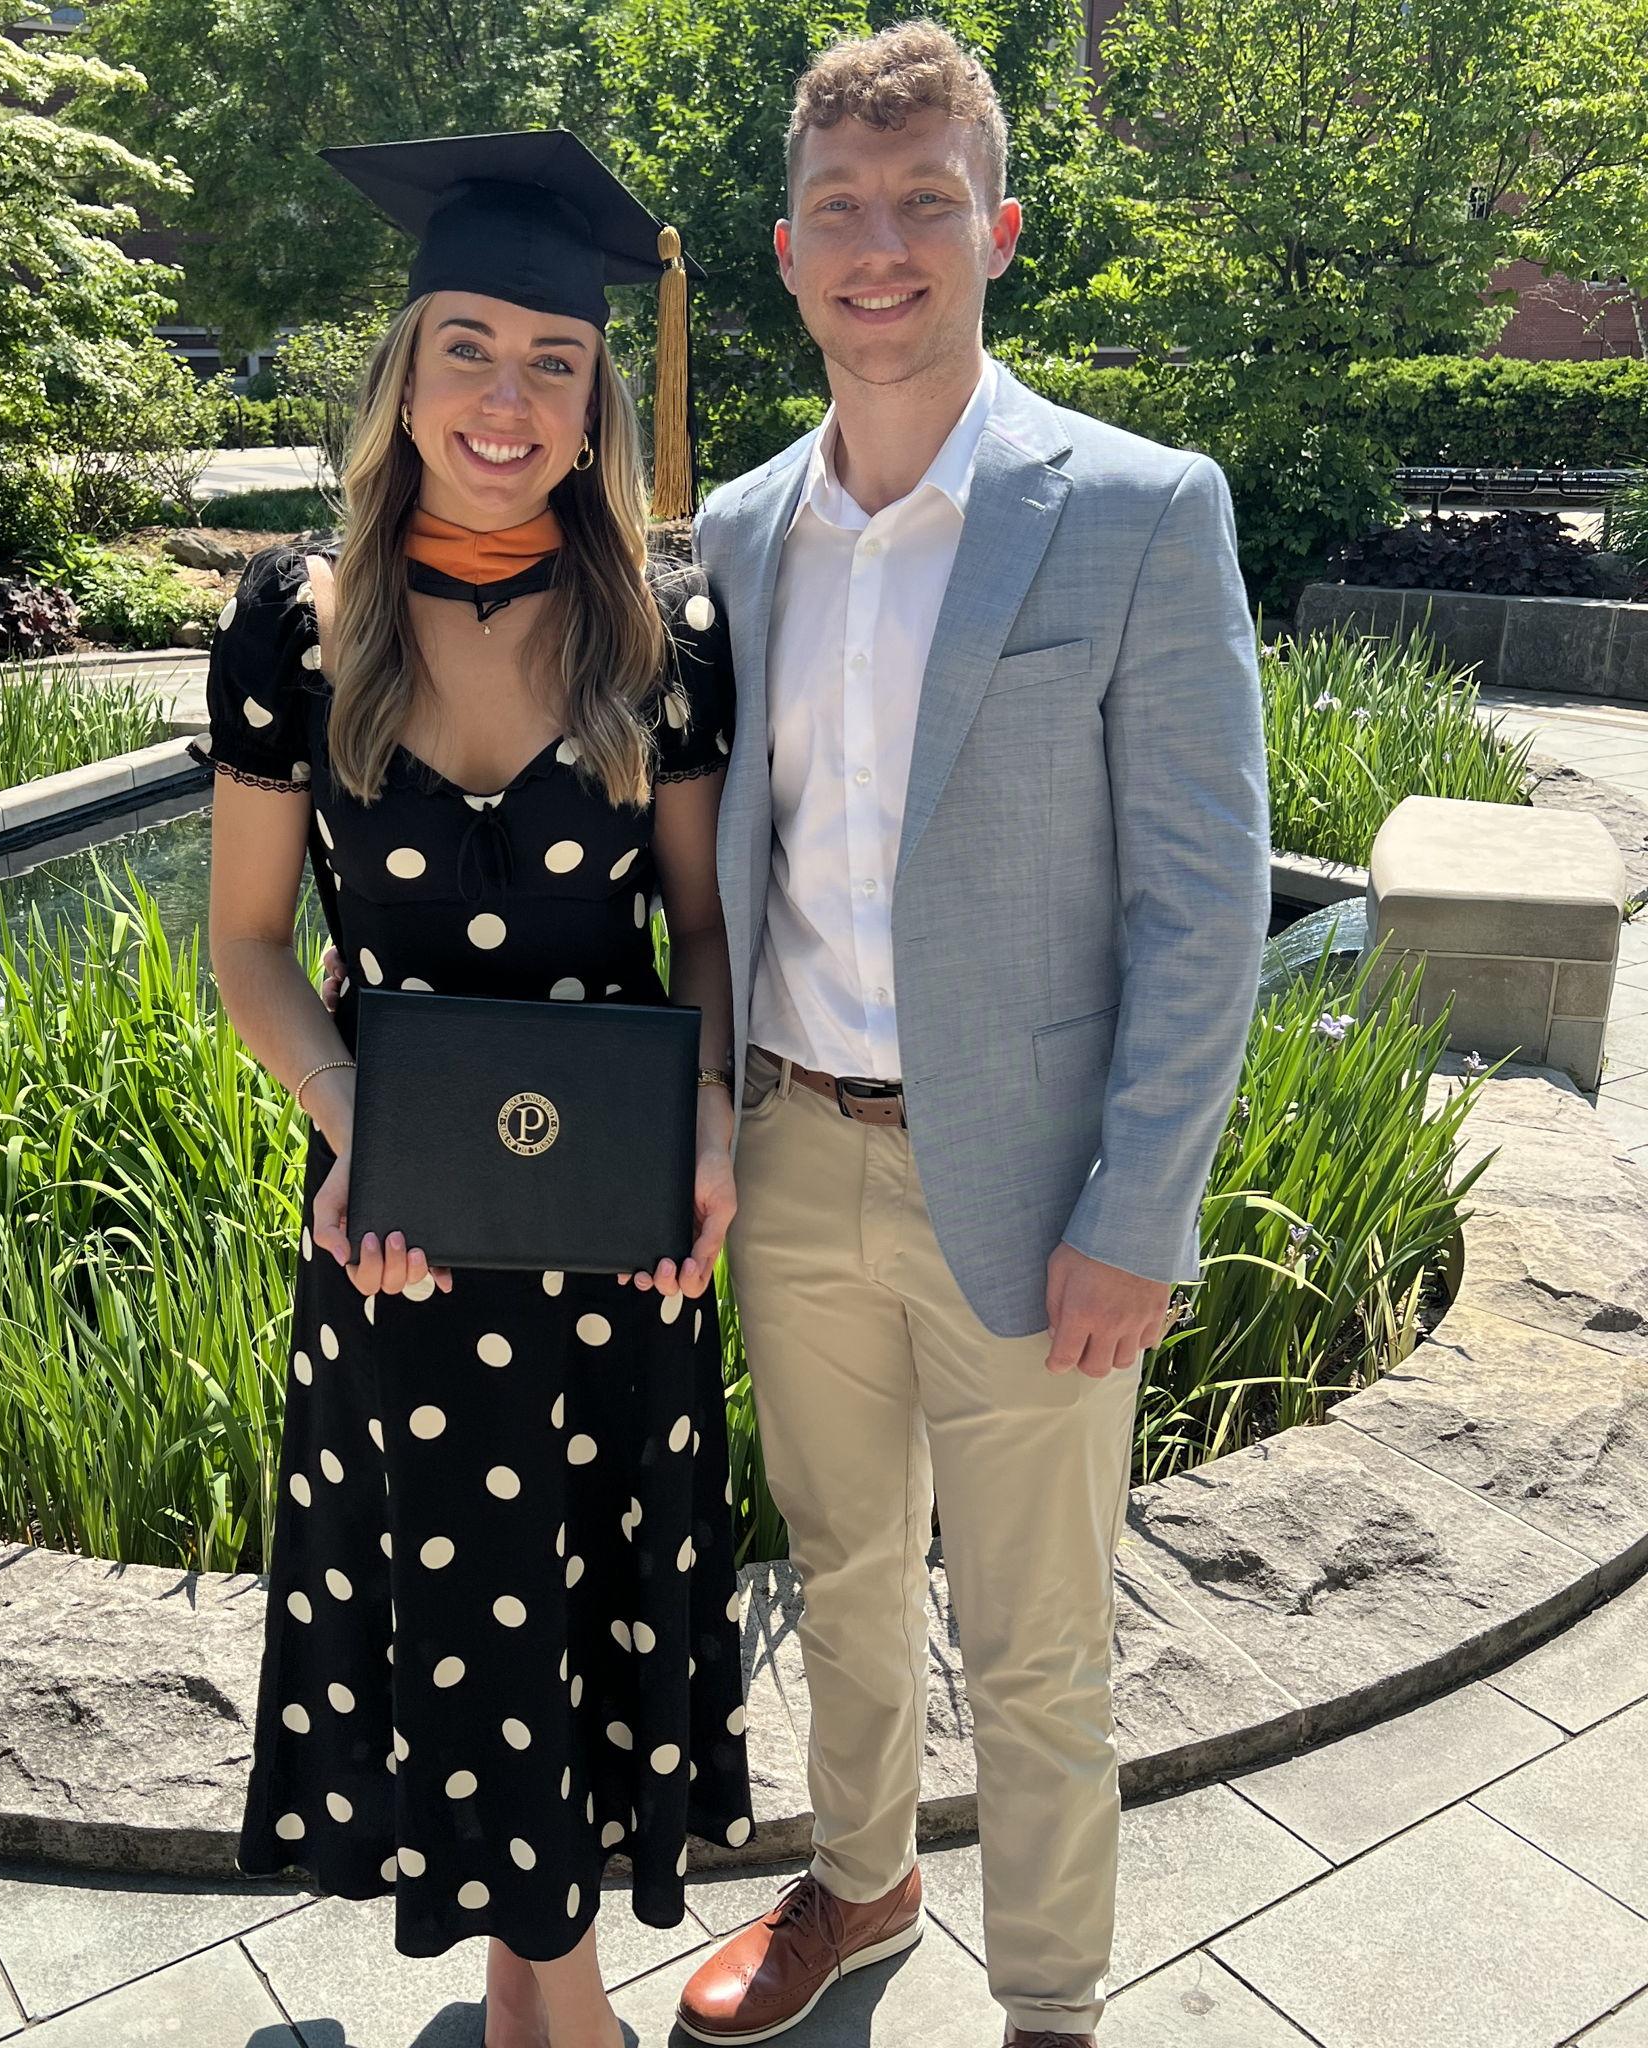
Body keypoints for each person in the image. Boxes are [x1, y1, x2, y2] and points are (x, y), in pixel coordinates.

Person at [673, 23, 1272, 2048]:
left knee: (1035, 1645)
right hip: (793, 1154)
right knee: (838, 1573)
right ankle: (857, 1885)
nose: (882, 247)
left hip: (1027, 1188)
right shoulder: (739, 536)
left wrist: (1139, 1208)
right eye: (840, 209)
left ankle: (1051, 2004)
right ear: (784, 249)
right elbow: (719, 875)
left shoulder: (1137, 511)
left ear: (998, 230)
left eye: (925, 203)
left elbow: (1204, 903)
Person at [188, 131, 754, 2048]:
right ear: (404, 367)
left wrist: (710, 1127)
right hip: (406, 1237)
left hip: (620, 1238)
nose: (507, 401)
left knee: (574, 1612)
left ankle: (539, 2007)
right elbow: (249, 949)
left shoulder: (666, 622)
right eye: (470, 350)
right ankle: (559, 2020)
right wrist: (358, 1133)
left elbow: (699, 927)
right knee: (475, 1605)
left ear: (597, 399)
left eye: (554, 361)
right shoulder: (295, 622)